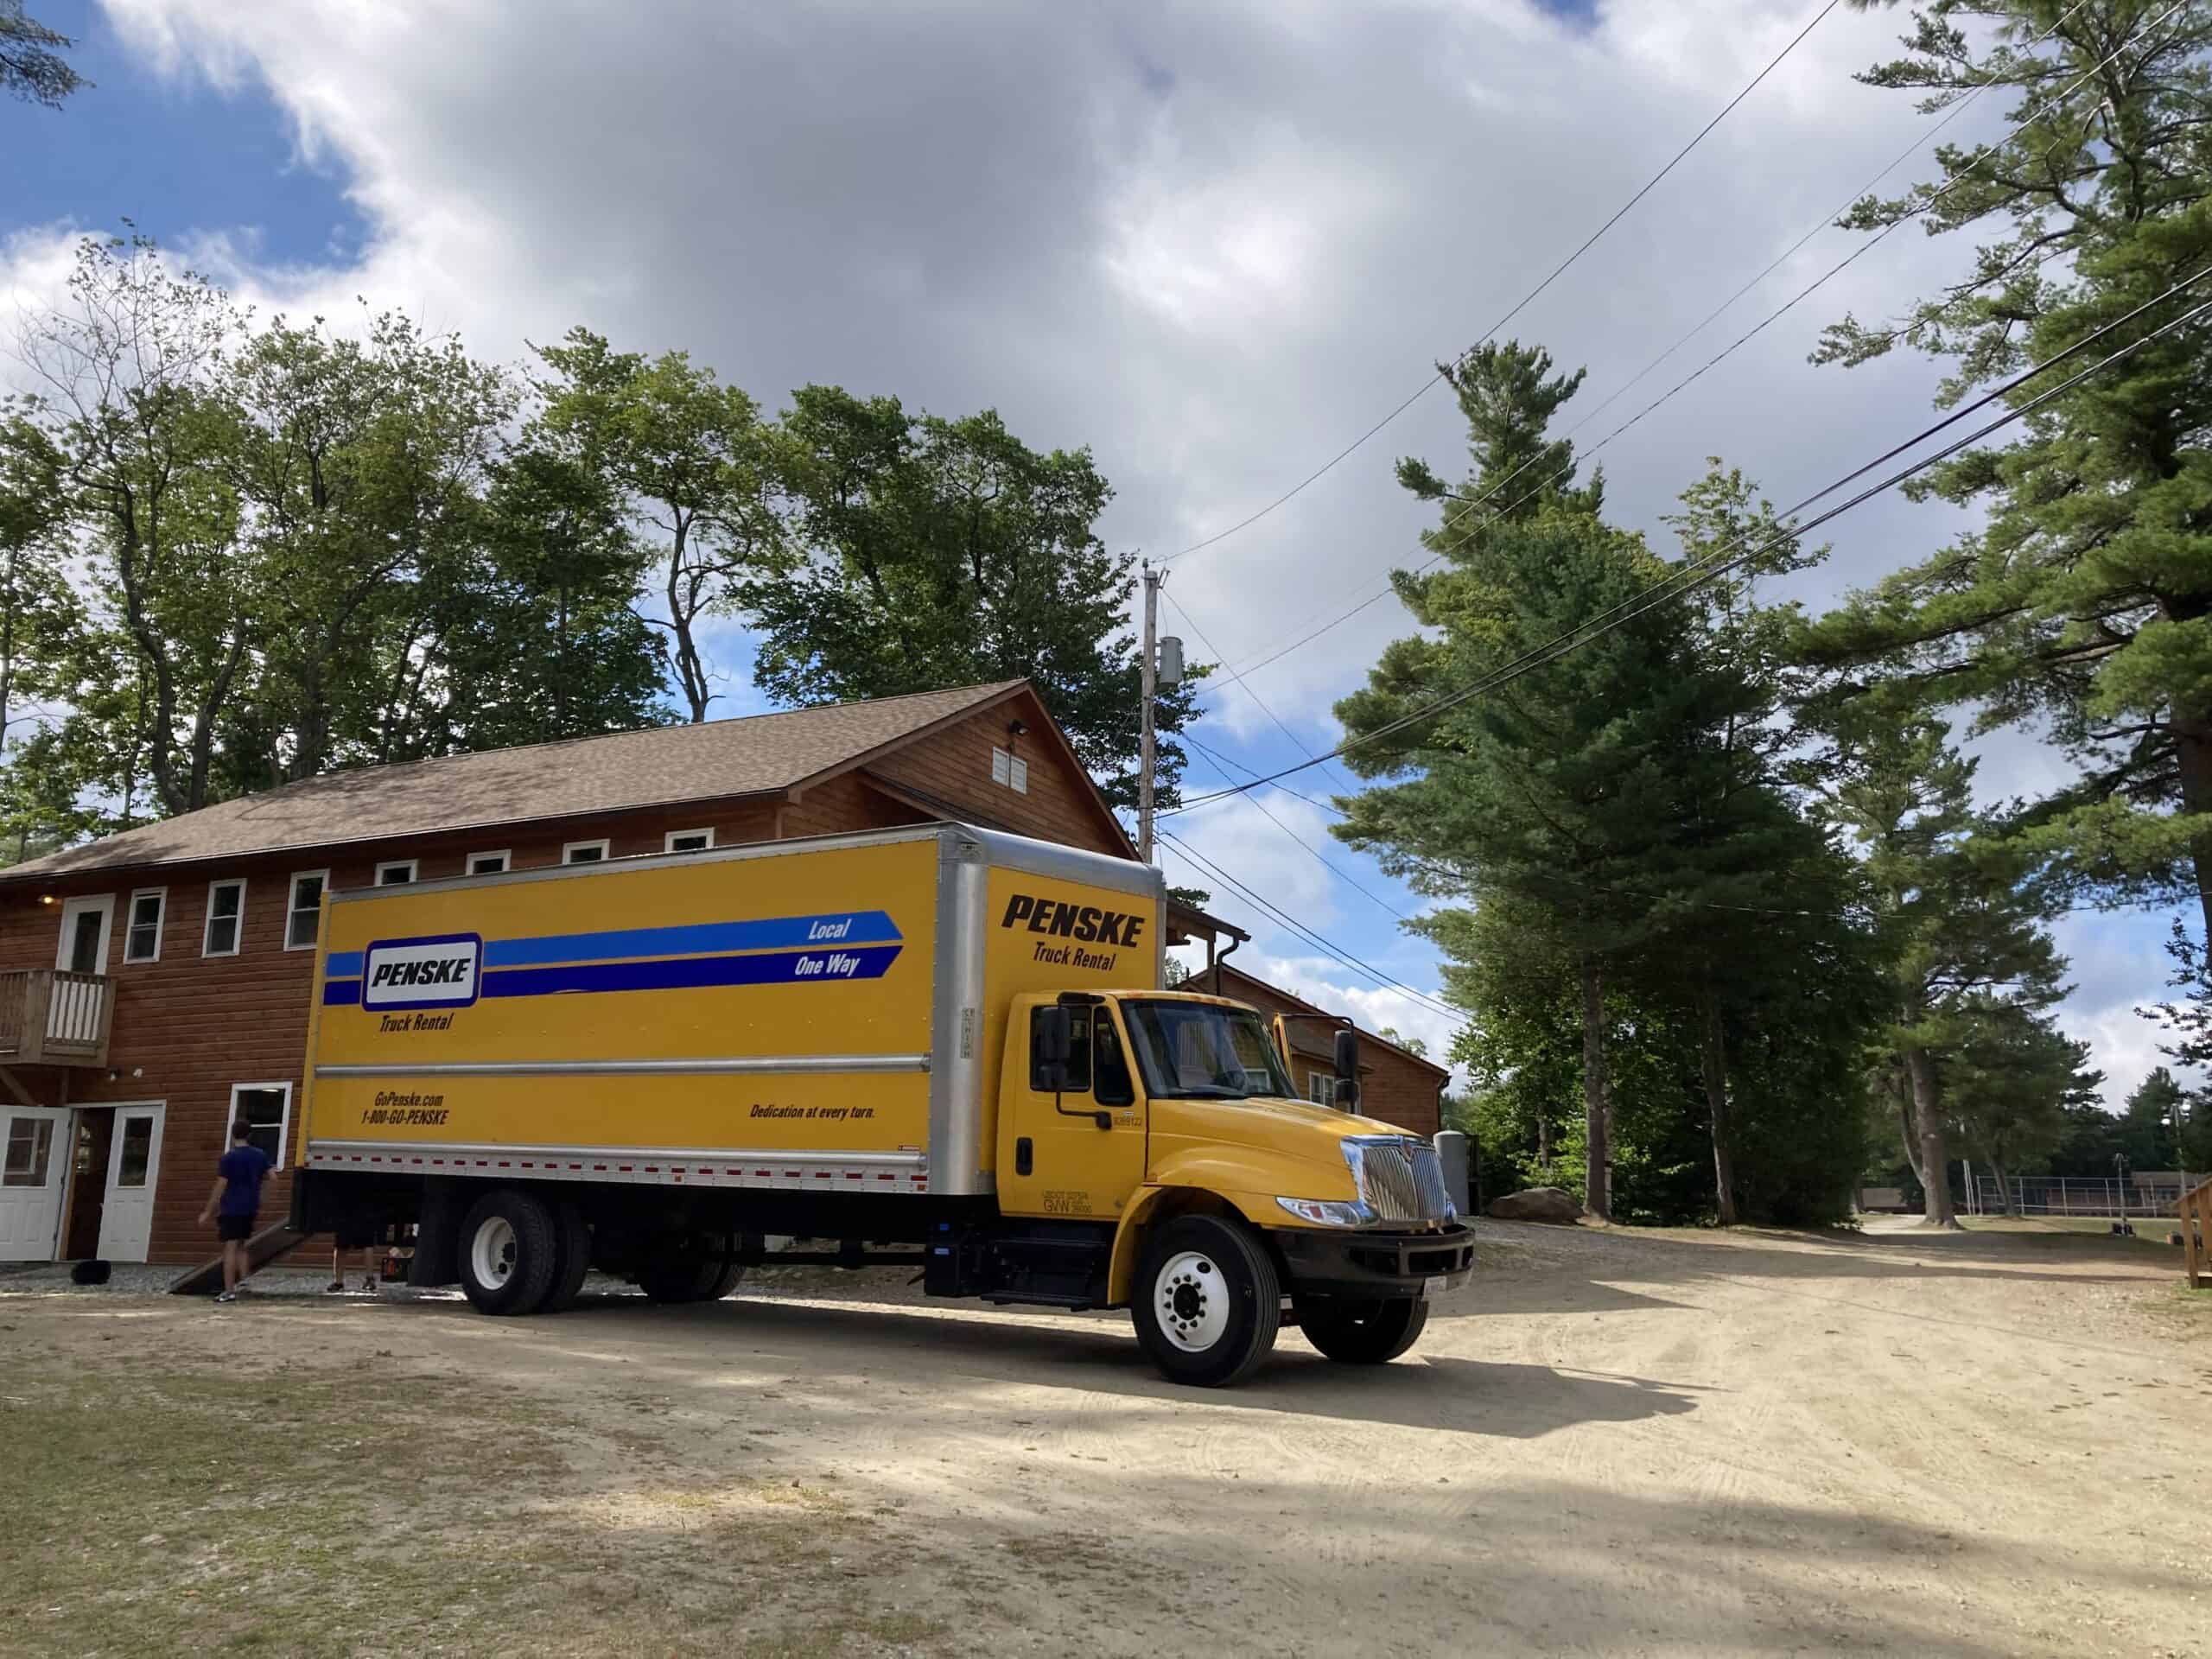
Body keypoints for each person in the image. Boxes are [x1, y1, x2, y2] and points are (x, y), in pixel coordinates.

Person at [198, 1120, 270, 1303]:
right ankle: (245, 1282)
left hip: (232, 1207)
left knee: (230, 1247)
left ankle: (229, 1290)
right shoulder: (260, 1155)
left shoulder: (229, 1158)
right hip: (250, 1206)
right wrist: (264, 1196)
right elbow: (273, 1177)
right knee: (242, 1244)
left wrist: (208, 1211)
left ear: (233, 1135)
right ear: (249, 1135)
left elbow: (221, 1185)